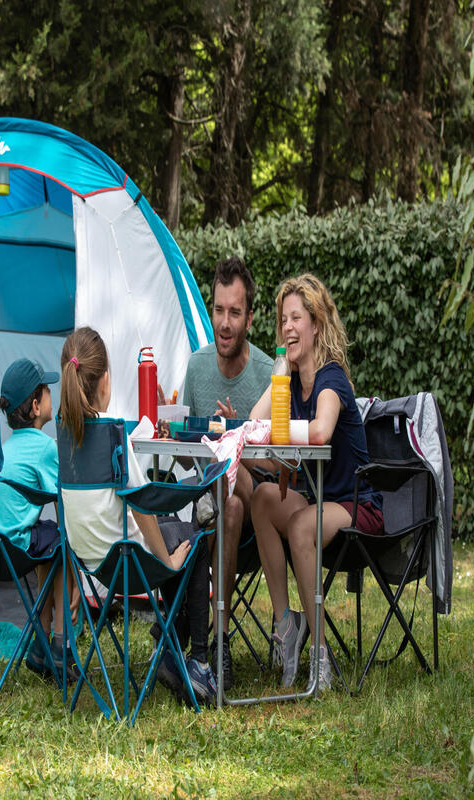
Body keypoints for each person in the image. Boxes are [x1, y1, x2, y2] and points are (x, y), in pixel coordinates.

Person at [58, 326, 217, 706]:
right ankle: (196, 662)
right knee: (194, 539)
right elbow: (142, 506)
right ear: (105, 381)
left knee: (172, 531)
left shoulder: (62, 437)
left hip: (94, 565)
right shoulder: (111, 436)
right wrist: (166, 557)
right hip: (130, 562)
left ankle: (169, 649)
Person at [249, 274, 384, 692]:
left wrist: (280, 430)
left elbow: (322, 431)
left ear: (316, 325)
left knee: (303, 524)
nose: (287, 327)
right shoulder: (291, 382)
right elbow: (255, 424)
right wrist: (281, 373)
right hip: (319, 500)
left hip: (358, 503)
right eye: (283, 320)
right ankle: (287, 625)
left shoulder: (331, 377)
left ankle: (320, 656)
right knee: (262, 498)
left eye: (296, 318)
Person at [162, 256, 272, 689]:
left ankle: (181, 636)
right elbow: (189, 459)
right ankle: (213, 648)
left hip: (254, 521)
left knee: (230, 497)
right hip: (209, 515)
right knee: (212, 504)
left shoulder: (268, 374)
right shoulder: (197, 366)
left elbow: (280, 465)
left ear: (250, 318)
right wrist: (176, 432)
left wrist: (236, 440)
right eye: (218, 310)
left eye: (234, 312)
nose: (224, 323)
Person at [0, 357, 74, 681]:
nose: (50, 397)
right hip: (11, 550)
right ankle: (60, 645)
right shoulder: (45, 447)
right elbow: (64, 500)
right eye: (46, 391)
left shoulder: (8, 447)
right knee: (61, 542)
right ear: (35, 405)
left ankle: (40, 644)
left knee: (46, 537)